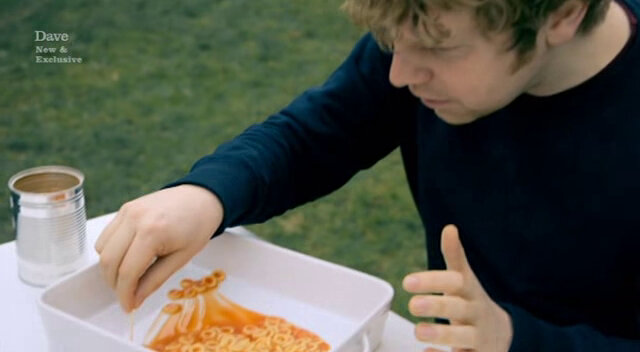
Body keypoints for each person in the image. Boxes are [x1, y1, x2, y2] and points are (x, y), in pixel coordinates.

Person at [95, 0, 640, 350]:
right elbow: (315, 135)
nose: (400, 74)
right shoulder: (424, 25)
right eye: (392, 44)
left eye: (438, 48)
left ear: (564, 13)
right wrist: (206, 195)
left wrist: (515, 339)